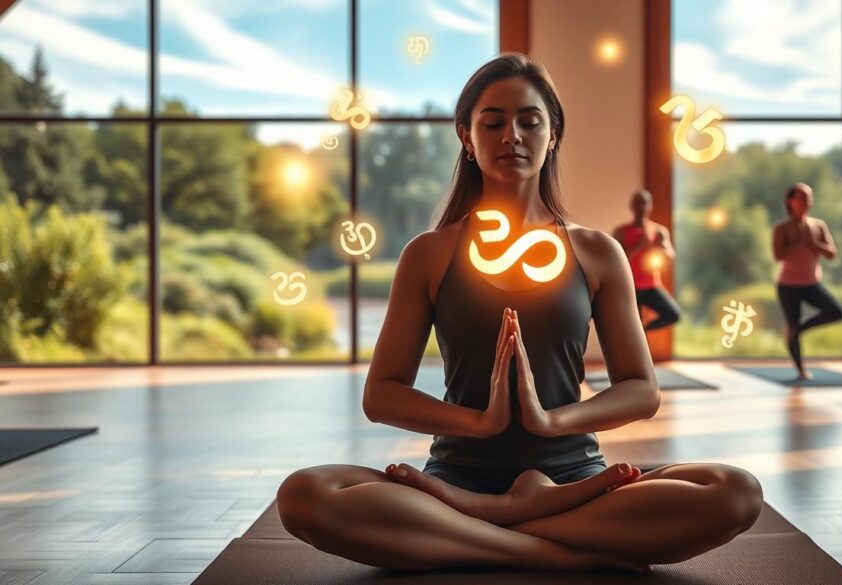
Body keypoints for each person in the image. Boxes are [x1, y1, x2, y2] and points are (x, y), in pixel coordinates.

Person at [276, 53, 762, 573]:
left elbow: (641, 389)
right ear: (466, 136)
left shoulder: (596, 252)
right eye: (493, 122)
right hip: (456, 483)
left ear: (552, 135)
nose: (512, 135)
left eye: (530, 121)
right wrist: (481, 423)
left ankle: (482, 528)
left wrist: (551, 420)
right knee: (306, 494)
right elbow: (382, 393)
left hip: (575, 485)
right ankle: (548, 546)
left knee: (734, 492)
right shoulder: (429, 253)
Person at [771, 183, 842, 380]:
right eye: (803, 198)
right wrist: (798, 242)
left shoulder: (818, 226)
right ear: (791, 201)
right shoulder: (781, 228)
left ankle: (798, 329)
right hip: (788, 285)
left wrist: (813, 243)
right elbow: (777, 255)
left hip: (812, 283)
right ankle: (801, 370)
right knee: (791, 323)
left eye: (809, 198)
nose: (807, 202)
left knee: (836, 311)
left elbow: (832, 254)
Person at [611, 189, 682, 332]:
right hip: (629, 286)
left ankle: (643, 330)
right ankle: (637, 339)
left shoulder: (659, 231)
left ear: (650, 206)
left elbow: (669, 256)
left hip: (651, 286)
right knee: (631, 327)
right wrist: (640, 246)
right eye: (637, 203)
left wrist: (660, 249)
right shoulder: (621, 231)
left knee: (673, 314)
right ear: (631, 206)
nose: (641, 207)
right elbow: (616, 260)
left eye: (644, 203)